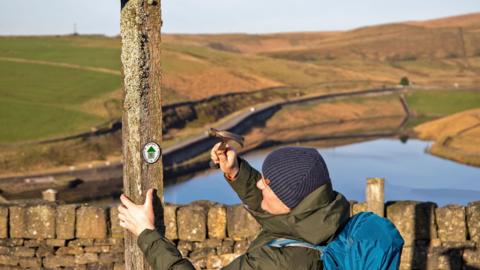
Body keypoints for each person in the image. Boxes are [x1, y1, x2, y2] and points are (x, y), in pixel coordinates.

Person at [117, 143, 350, 269]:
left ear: (289, 199)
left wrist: (146, 233)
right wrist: (237, 172)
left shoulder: (278, 263)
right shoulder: (325, 224)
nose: (259, 183)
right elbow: (282, 220)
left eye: (266, 182)